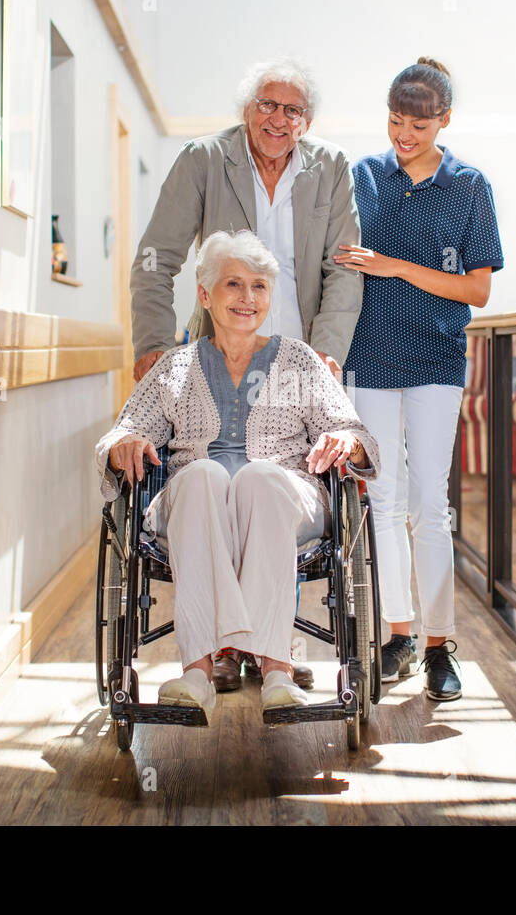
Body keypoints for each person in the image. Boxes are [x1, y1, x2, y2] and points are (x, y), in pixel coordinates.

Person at [129, 57, 364, 693]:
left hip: (297, 360)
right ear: (246, 110)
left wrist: (327, 354)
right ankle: (245, 651)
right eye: (267, 105)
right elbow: (155, 259)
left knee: (270, 472)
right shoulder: (204, 161)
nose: (278, 119)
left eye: (292, 110)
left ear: (306, 120)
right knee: (216, 466)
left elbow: (345, 270)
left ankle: (254, 651)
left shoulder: (330, 169)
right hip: (221, 344)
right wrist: (153, 347)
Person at [97, 231, 380, 717]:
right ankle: (198, 673)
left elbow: (355, 432)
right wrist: (125, 444)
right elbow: (123, 431)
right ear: (205, 295)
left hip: (285, 501)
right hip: (194, 505)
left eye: (259, 287)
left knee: (259, 478)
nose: (248, 298)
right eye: (233, 284)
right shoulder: (175, 367)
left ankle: (275, 671)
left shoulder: (299, 360)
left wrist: (347, 441)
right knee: (205, 474)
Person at [334, 58, 504, 702]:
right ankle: (398, 634)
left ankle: (440, 645)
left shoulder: (469, 186)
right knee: (383, 501)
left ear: (445, 121)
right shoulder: (364, 177)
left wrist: (397, 268)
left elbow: (478, 289)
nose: (404, 135)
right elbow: (344, 261)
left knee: (432, 505)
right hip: (369, 356)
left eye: (419, 125)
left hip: (436, 358)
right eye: (396, 122)